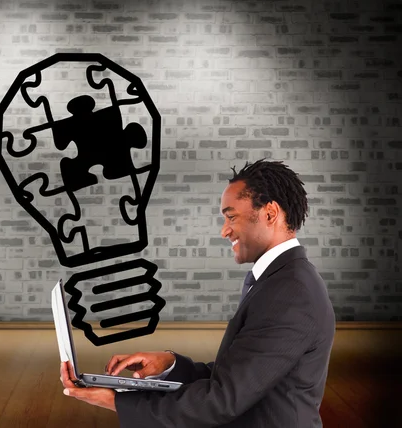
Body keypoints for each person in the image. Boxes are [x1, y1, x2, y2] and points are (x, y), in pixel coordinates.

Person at [60, 159, 336, 427]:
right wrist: (170, 364)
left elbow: (223, 399)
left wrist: (117, 402)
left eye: (231, 216)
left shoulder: (290, 291)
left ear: (270, 213)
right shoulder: (280, 280)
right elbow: (240, 375)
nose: (224, 230)